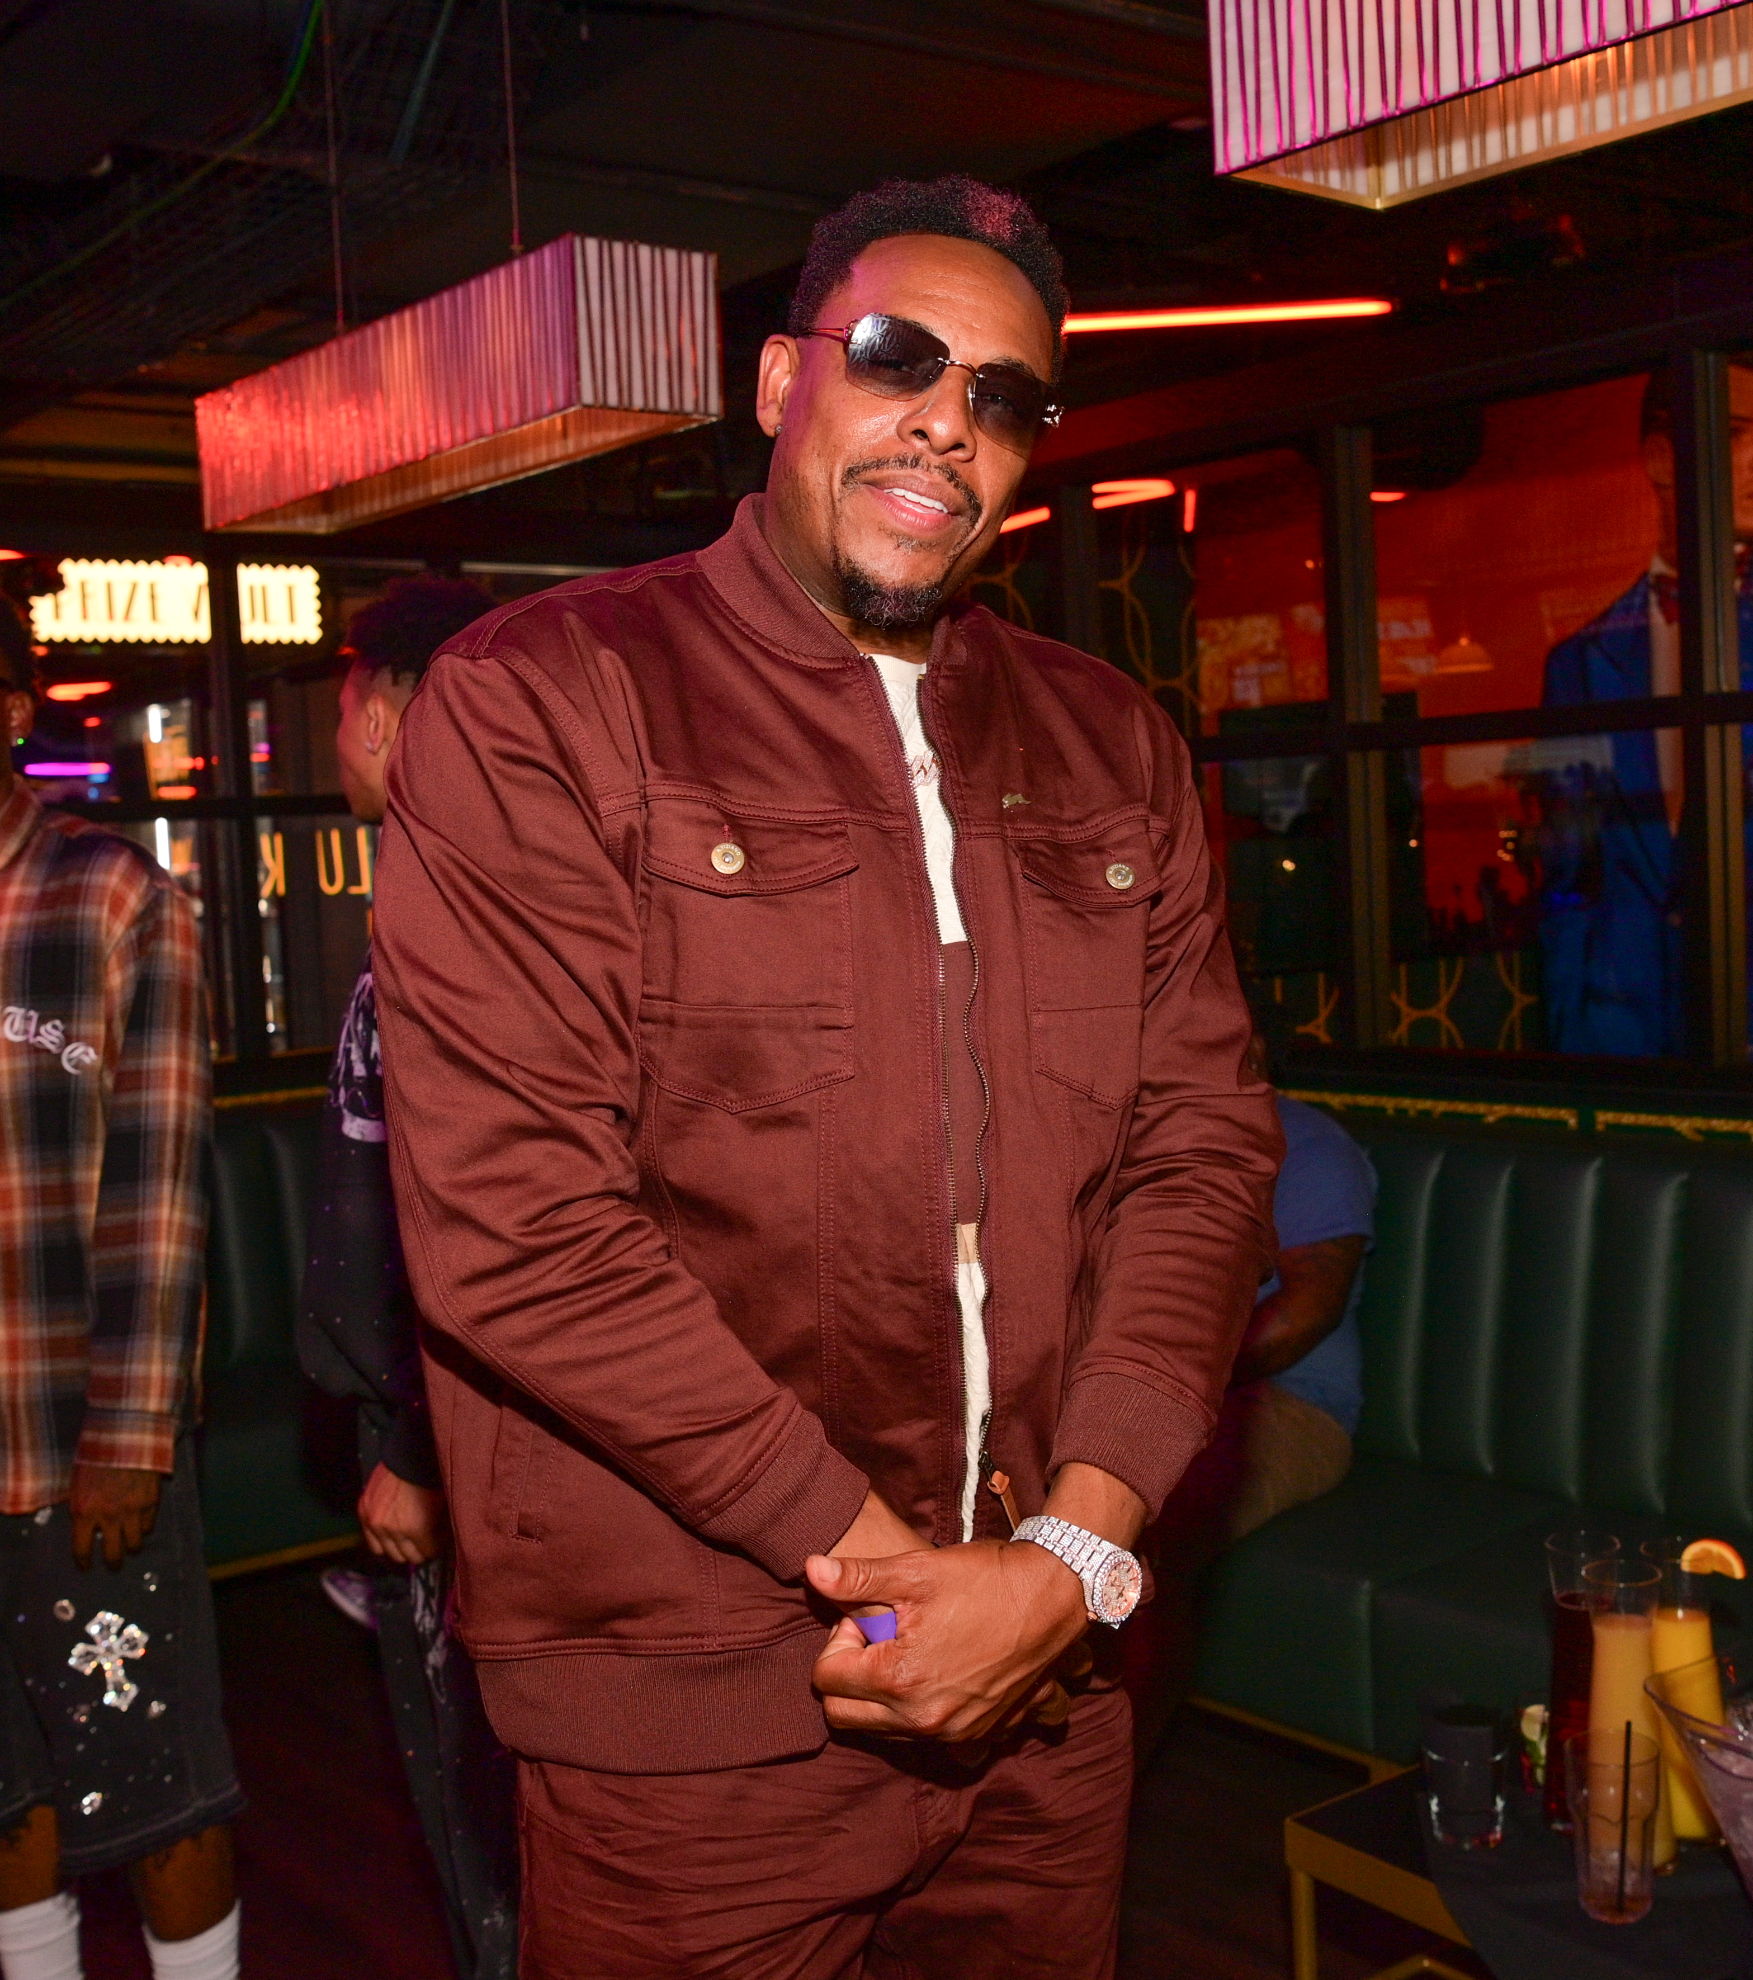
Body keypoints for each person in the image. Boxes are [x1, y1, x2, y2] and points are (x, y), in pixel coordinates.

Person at [372, 175, 1282, 1980]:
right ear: (782, 378)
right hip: (690, 1713)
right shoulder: (547, 699)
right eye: (895, 358)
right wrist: (892, 1586)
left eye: (1005, 397)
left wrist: (1065, 1567)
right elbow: (514, 1219)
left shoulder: (1109, 744)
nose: (948, 417)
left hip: (1044, 1686)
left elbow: (1199, 1151)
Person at [0, 602, 242, 1980]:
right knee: (5, 1792)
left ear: (13, 707)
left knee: (156, 1787)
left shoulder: (116, 895)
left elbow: (159, 1190)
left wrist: (130, 1437)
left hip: (82, 1439)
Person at [295, 574, 518, 1980]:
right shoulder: (473, 892)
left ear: (381, 712)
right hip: (440, 1431)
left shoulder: (458, 930)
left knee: (487, 1823)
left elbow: (494, 1226)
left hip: (460, 1443)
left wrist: (426, 1455)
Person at [1125, 1019, 1376, 1758]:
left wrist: (1168, 1382)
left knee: (1136, 1534)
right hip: (1170, 1398)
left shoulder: (1307, 1146)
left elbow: (1303, 1312)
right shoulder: (1151, 1149)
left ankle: (1118, 1771)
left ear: (1255, 1054)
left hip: (1292, 1408)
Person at [1537, 365, 1753, 1056]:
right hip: (1622, 1033)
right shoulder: (1579, 661)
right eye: (1741, 436)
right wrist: (1575, 1014)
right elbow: (1568, 868)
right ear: (1661, 458)